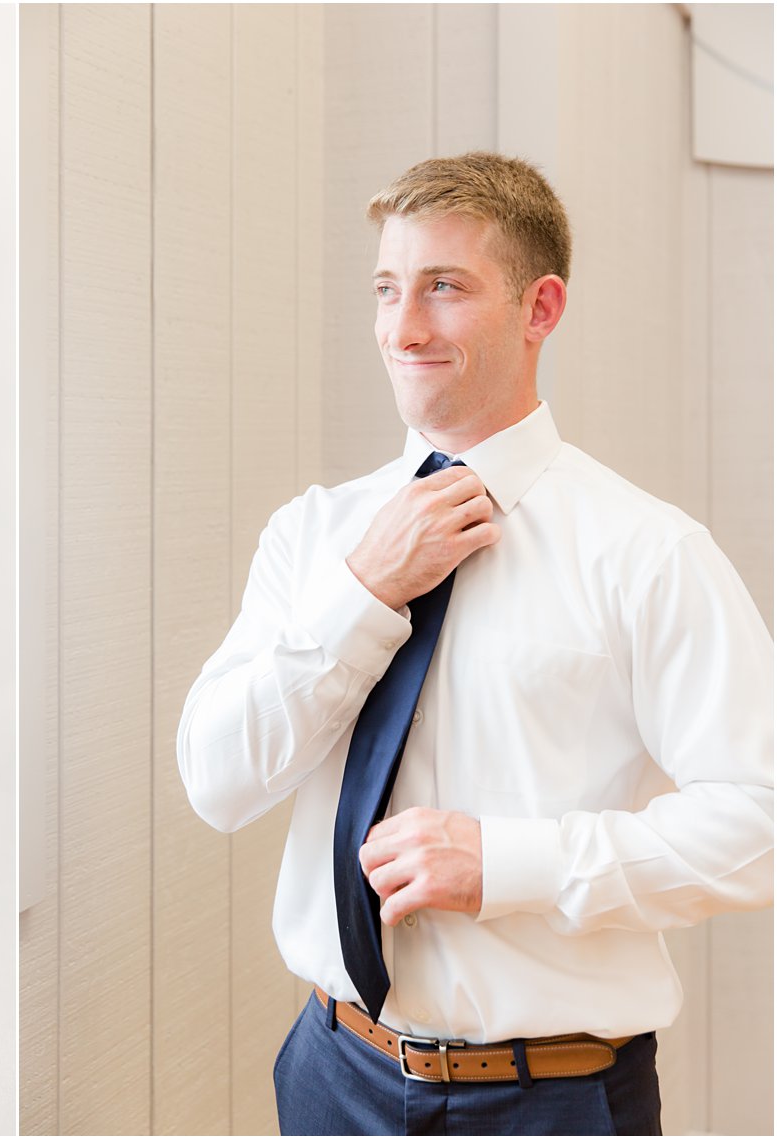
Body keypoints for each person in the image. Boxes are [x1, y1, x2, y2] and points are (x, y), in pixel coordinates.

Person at [176, 152, 772, 1136]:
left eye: (442, 289)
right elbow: (217, 780)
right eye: (384, 289)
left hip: (554, 1101)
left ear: (539, 310)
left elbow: (758, 822)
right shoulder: (314, 536)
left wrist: (509, 863)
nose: (401, 328)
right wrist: (360, 593)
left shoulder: (647, 553)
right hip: (332, 1077)